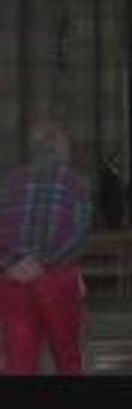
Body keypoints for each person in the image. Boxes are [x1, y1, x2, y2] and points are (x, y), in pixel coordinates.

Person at [0, 121, 92, 374]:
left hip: (13, 280)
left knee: (19, 362)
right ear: (63, 149)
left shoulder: (9, 182)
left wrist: (10, 264)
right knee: (67, 358)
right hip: (57, 278)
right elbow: (79, 235)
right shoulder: (77, 182)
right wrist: (43, 263)